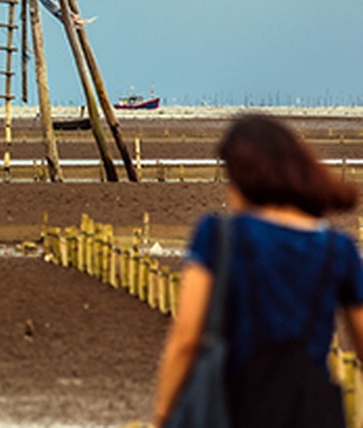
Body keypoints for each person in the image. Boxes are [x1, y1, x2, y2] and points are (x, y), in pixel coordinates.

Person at [153, 113, 363, 427]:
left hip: (235, 405)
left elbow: (185, 338)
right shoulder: (338, 248)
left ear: (244, 177)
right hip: (311, 411)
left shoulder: (219, 235)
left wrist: (162, 417)